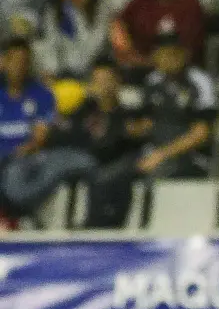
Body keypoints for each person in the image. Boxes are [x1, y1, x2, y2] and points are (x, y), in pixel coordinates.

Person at [85, 32, 219, 227]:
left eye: (173, 53)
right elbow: (146, 122)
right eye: (163, 54)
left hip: (190, 157)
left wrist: (161, 154)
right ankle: (97, 227)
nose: (168, 59)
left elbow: (201, 134)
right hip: (152, 151)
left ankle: (118, 227)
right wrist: (133, 129)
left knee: (136, 175)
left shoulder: (198, 82)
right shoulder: (153, 82)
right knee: (104, 176)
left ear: (184, 55)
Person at [2, 60, 143, 221]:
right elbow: (59, 134)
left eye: (106, 80)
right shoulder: (83, 109)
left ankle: (15, 207)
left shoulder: (125, 115)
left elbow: (110, 145)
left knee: (56, 165)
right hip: (59, 153)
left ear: (117, 82)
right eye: (97, 80)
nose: (102, 86)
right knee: (16, 165)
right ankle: (12, 208)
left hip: (91, 160)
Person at [0, 39, 56, 220]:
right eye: (14, 61)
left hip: (26, 158)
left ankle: (16, 220)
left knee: (13, 174)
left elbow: (39, 138)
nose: (19, 66)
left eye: (23, 61)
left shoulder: (42, 95)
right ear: (4, 62)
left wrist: (20, 151)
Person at [35, 0, 112, 80]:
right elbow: (51, 46)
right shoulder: (54, 12)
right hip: (62, 74)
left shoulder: (101, 9)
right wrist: (53, 72)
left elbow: (95, 48)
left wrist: (81, 12)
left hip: (93, 72)